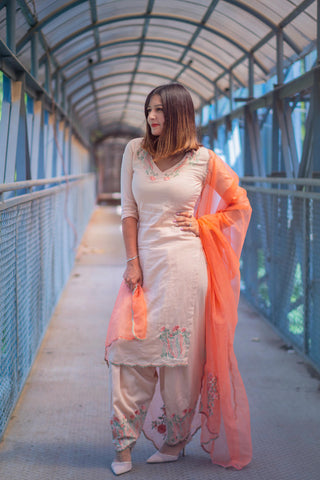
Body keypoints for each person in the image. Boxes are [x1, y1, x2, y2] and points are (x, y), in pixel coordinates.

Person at [105, 83, 252, 475]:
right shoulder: (135, 150)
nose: (152, 117)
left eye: (161, 111)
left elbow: (240, 204)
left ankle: (174, 440)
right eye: (149, 110)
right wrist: (132, 261)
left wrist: (205, 223)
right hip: (145, 266)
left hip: (188, 270)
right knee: (127, 351)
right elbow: (128, 212)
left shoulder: (203, 159)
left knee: (180, 359)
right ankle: (123, 445)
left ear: (179, 115)